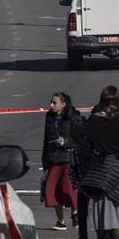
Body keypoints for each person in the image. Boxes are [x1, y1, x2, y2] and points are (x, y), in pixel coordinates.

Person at [77, 86, 119, 239]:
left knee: (102, 204)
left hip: (101, 165)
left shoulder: (95, 120)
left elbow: (78, 134)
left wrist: (93, 146)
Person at [42, 92, 81, 231]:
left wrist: (65, 142)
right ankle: (60, 221)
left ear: (63, 104)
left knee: (68, 188)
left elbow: (80, 139)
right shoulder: (49, 117)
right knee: (51, 189)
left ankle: (76, 213)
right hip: (53, 158)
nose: (51, 105)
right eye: (51, 102)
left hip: (68, 158)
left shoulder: (73, 118)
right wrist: (44, 160)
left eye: (55, 102)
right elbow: (46, 139)